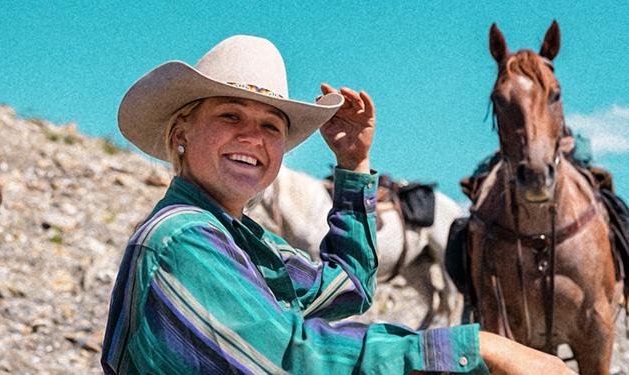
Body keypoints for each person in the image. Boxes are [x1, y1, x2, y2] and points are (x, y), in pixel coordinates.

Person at [102, 35, 573, 374]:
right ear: (181, 134)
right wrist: (481, 348)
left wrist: (353, 164)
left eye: (272, 126)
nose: (253, 137)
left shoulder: (239, 240)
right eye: (230, 115)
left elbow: (347, 288)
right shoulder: (182, 241)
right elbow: (291, 358)